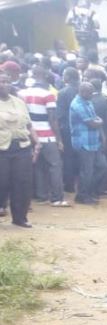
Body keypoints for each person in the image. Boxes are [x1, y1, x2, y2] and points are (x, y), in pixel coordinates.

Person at [19, 65, 67, 207]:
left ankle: (41, 195)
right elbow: (52, 119)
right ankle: (57, 198)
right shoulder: (48, 95)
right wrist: (59, 139)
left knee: (39, 165)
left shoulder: (22, 94)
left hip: (30, 135)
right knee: (55, 165)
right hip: (46, 135)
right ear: (45, 77)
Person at [0, 72, 38, 227]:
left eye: (7, 81)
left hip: (21, 147)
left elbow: (28, 125)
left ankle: (20, 217)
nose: (4, 84)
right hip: (2, 149)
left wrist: (37, 142)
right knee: (2, 182)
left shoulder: (19, 102)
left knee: (22, 183)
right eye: (1, 81)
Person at [68, 81, 106, 205]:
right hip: (83, 142)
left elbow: (96, 120)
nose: (93, 95)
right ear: (83, 92)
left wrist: (100, 127)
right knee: (86, 171)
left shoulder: (88, 102)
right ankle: (83, 195)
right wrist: (100, 122)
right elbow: (92, 122)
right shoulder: (77, 104)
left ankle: (87, 192)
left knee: (102, 166)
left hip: (93, 141)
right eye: (90, 92)